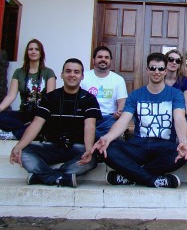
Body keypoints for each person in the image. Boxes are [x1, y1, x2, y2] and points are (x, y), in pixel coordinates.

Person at [91, 52, 187, 188]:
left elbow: (179, 118)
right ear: (147, 70)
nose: (157, 72)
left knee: (181, 155)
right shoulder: (136, 95)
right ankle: (153, 180)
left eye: (160, 69)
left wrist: (183, 142)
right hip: (139, 145)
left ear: (165, 71)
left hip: (163, 146)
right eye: (153, 68)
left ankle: (129, 176)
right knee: (106, 148)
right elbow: (123, 121)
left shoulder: (176, 94)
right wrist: (107, 138)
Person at [9, 58, 101, 187]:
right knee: (24, 152)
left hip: (76, 148)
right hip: (50, 146)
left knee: (92, 158)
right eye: (68, 71)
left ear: (82, 76)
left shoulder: (89, 99)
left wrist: (89, 149)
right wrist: (18, 146)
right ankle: (61, 177)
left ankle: (42, 176)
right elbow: (36, 123)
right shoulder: (49, 97)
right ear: (62, 74)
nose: (72, 75)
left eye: (76, 72)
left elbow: (90, 125)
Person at [0, 39, 56, 139]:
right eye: (30, 49)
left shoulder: (48, 72)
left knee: (46, 125)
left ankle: (17, 132)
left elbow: (49, 99)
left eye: (36, 49)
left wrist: (37, 119)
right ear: (27, 52)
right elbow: (11, 96)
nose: (33, 51)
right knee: (2, 116)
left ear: (41, 53)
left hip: (40, 116)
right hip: (23, 114)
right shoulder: (18, 72)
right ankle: (26, 128)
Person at [81, 46, 128, 139]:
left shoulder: (118, 79)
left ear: (110, 60)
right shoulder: (84, 77)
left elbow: (122, 103)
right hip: (87, 117)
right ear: (93, 60)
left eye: (106, 57)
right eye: (100, 57)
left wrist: (120, 112)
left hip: (109, 118)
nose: (103, 59)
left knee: (112, 135)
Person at [164, 49, 187, 117]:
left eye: (178, 61)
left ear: (179, 65)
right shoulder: (158, 79)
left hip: (179, 115)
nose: (174, 62)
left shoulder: (185, 81)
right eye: (171, 59)